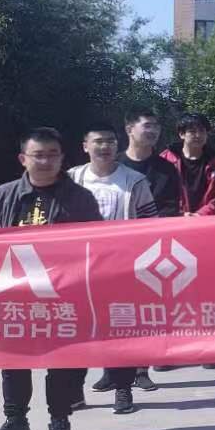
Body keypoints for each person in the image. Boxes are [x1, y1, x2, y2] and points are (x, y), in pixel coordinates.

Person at [0, 128, 103, 430]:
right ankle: (15, 423)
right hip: (14, 295)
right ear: (23, 159)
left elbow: (96, 247)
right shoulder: (2, 196)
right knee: (13, 362)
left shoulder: (80, 199)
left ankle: (60, 422)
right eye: (38, 155)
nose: (46, 161)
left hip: (61, 294)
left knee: (61, 361)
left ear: (62, 158)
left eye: (52, 154)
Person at [71, 125, 160, 413]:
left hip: (122, 267)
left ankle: (123, 389)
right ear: (85, 146)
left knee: (121, 329)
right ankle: (73, 391)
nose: (105, 146)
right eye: (98, 141)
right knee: (78, 329)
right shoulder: (71, 179)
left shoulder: (134, 180)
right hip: (78, 268)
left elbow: (150, 224)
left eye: (110, 141)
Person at [122, 111, 180, 393]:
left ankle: (141, 368)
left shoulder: (166, 169)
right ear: (129, 129)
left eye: (156, 126)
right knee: (115, 310)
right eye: (147, 125)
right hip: (114, 249)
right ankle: (113, 369)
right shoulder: (115, 166)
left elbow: (170, 208)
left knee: (145, 312)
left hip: (151, 249)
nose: (153, 130)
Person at [160, 113, 215, 217]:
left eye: (202, 131)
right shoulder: (166, 160)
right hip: (174, 221)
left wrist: (201, 214)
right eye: (192, 131)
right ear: (182, 134)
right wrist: (178, 214)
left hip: (208, 221)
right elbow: (157, 193)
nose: (198, 135)